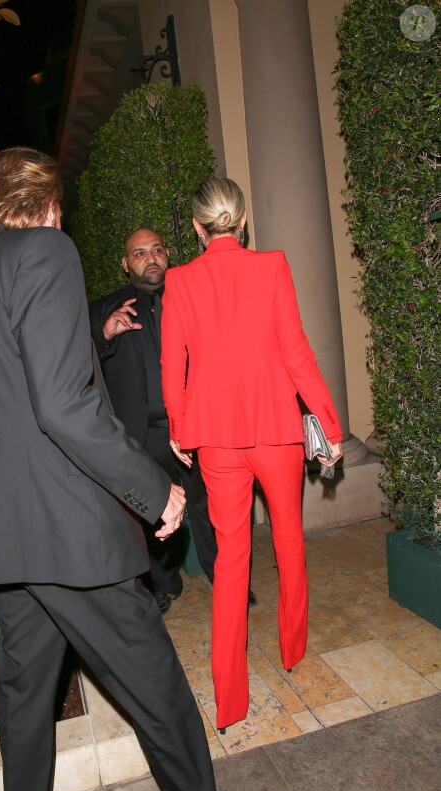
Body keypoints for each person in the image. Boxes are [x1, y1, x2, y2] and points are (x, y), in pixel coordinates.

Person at [0, 150, 301, 791]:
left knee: (25, 701)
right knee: (155, 682)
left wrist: (1, 474)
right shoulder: (47, 252)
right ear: (49, 205)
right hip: (65, 534)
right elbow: (65, 406)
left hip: (3, 540)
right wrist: (156, 489)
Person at [161, 177, 343, 733]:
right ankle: (292, 649)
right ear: (243, 221)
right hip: (276, 431)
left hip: (216, 438)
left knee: (231, 560)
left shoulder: (180, 280)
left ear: (197, 227)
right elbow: (297, 353)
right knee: (288, 540)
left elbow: (174, 362)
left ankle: (230, 702)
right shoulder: (272, 267)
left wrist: (179, 428)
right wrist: (329, 425)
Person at [90, 230, 256, 613]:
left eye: (158, 250)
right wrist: (104, 334)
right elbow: (79, 367)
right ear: (125, 263)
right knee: (153, 511)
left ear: (168, 255)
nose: (151, 259)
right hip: (141, 434)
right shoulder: (102, 309)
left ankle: (226, 581)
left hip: (197, 426)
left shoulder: (194, 295)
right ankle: (165, 584)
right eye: (140, 253)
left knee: (210, 507)